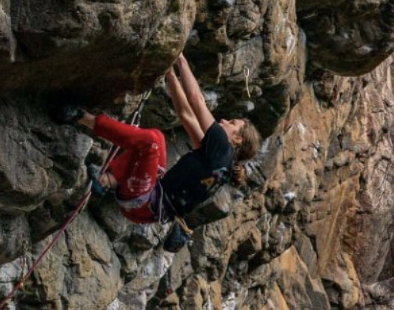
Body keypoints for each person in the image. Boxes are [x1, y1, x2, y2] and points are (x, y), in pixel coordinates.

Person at [56, 54, 262, 249]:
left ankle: (81, 117)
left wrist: (180, 59)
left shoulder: (223, 148)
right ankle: (106, 181)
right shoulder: (219, 162)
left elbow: (197, 101)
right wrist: (170, 73)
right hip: (148, 201)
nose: (224, 121)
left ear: (237, 139)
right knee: (158, 140)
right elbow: (185, 115)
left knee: (152, 142)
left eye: (232, 123)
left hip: (143, 203)